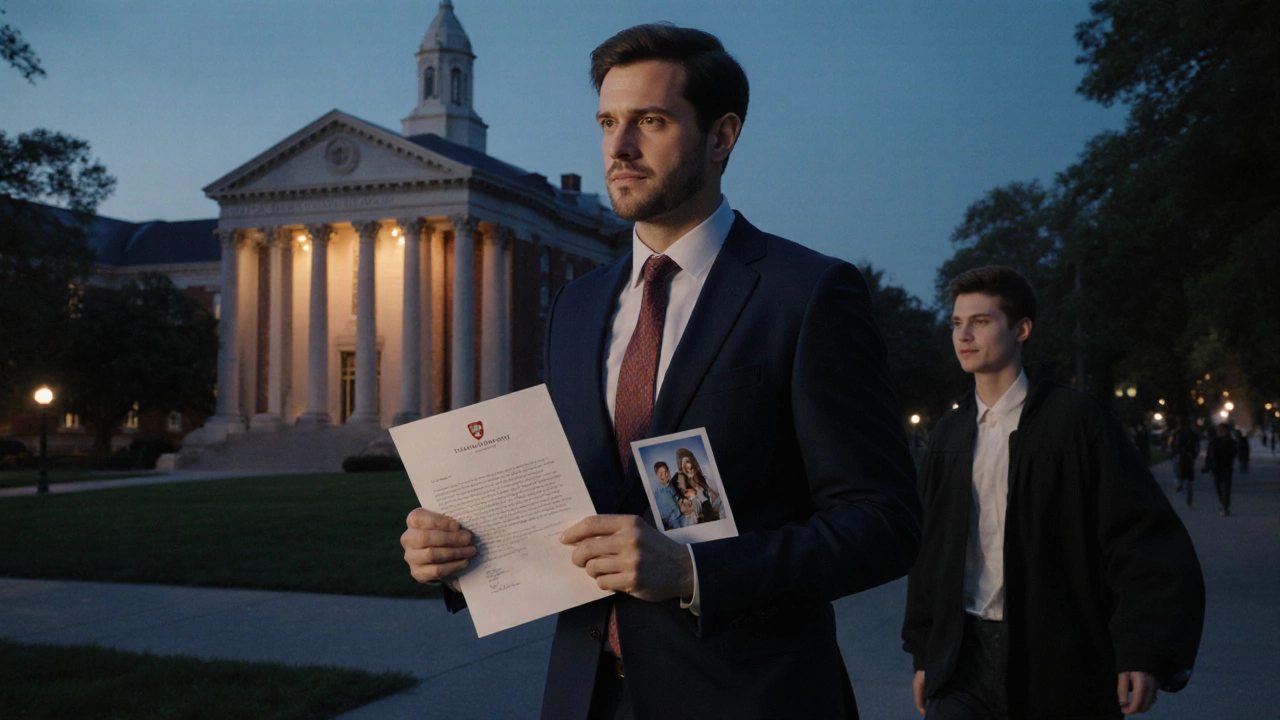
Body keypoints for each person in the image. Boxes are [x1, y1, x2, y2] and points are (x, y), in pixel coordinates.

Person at [401, 23, 921, 720]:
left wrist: (692, 570)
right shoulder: (580, 306)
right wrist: (461, 552)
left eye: (650, 120)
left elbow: (884, 524)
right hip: (590, 694)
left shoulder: (807, 293)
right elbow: (570, 503)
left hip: (750, 698)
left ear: (721, 136)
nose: (619, 146)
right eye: (608, 122)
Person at [902, 266, 1205, 719]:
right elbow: (930, 554)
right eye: (956, 323)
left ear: (1022, 329)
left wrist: (1141, 650)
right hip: (962, 656)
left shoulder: (1074, 422)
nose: (963, 334)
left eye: (981, 321)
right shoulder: (950, 435)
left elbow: (1138, 536)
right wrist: (927, 654)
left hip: (1055, 658)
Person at [1204, 423, 1237, 516]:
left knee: (1226, 488)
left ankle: (1225, 506)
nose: (1220, 431)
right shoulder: (1214, 441)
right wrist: (1207, 466)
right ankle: (1224, 504)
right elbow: (1209, 454)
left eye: (1222, 429)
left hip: (1226, 467)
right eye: (1219, 429)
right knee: (1218, 487)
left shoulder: (1230, 441)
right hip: (1216, 468)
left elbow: (1234, 453)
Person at [1172, 421, 1200, 508]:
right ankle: (1187, 497)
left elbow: (1174, 445)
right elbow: (1196, 446)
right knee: (1187, 478)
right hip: (1187, 456)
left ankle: (1180, 486)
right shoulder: (1192, 434)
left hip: (1181, 456)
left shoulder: (1178, 433)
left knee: (1180, 474)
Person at [650, 461, 682, 531]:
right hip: (675, 526)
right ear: (656, 475)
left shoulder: (672, 485)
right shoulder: (659, 495)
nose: (664, 475)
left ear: (669, 471)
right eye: (661, 473)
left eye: (666, 472)